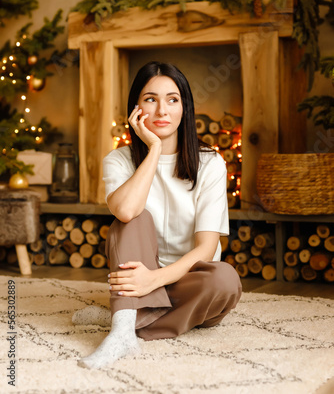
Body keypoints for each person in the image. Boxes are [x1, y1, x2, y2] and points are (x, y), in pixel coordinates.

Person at [73, 61, 242, 369]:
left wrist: (154, 280)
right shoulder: (118, 160)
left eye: (172, 99)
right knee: (134, 217)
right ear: (136, 109)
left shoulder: (211, 163)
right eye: (150, 99)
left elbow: (207, 248)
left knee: (227, 281)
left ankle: (125, 319)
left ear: (184, 108)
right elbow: (124, 210)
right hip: (139, 275)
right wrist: (152, 150)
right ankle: (123, 331)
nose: (162, 110)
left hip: (187, 281)